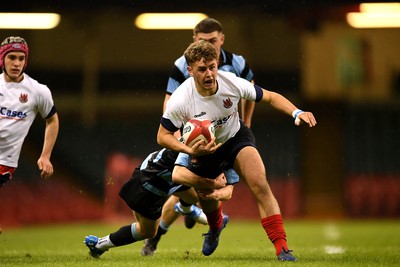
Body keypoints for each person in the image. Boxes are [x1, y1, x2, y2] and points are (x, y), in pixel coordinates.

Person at [157, 40, 317, 261]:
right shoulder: (181, 99)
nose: (209, 74)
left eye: (212, 66)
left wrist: (296, 112)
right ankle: (214, 228)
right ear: (190, 70)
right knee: (208, 196)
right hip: (205, 152)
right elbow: (162, 136)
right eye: (202, 69)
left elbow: (270, 96)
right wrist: (188, 149)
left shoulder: (230, 82)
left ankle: (282, 248)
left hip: (235, 138)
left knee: (260, 182)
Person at [142, 17, 256, 256]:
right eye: (203, 41)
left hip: (227, 134)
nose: (208, 46)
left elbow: (251, 90)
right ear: (194, 41)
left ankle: (190, 213)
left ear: (222, 40)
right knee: (181, 186)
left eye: (213, 41)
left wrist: (246, 123)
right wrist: (177, 135)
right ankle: (161, 234)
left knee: (194, 190)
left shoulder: (236, 63)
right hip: (192, 135)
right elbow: (169, 100)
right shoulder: (182, 64)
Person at [84, 147, 237, 258]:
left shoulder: (190, 146)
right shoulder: (189, 157)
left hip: (157, 176)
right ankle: (99, 244)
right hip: (148, 188)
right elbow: (180, 177)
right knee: (147, 232)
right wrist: (213, 184)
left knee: (192, 197)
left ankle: (189, 210)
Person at [0, 36, 59, 187]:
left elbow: (52, 120)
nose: (16, 63)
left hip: (4, 162)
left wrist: (45, 156)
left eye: (21, 58)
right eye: (12, 57)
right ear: (2, 59)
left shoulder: (38, 91)